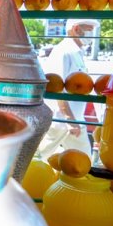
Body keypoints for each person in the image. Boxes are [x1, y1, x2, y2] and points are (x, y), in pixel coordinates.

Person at [38, 17, 99, 157]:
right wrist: (69, 119)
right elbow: (56, 87)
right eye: (89, 30)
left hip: (73, 120)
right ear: (76, 29)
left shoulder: (76, 52)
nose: (92, 35)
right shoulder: (64, 52)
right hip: (62, 121)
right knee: (44, 157)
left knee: (80, 159)